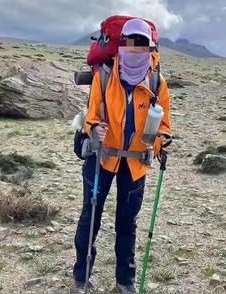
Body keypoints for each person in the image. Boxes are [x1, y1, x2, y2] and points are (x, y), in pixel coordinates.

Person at [72, 18, 171, 293]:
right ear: (122, 46)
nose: (136, 51)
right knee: (90, 216)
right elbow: (91, 117)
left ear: (150, 49)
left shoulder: (156, 81)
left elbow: (163, 125)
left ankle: (125, 282)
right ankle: (81, 278)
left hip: (136, 162)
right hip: (101, 156)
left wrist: (163, 141)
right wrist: (95, 129)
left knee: (127, 222)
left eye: (142, 46)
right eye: (130, 45)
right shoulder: (104, 77)